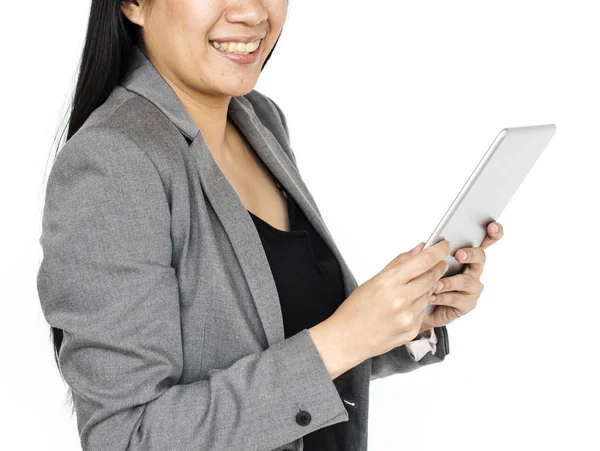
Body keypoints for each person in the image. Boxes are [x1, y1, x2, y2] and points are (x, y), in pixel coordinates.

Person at [37, 1, 504, 450]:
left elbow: (292, 353)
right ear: (133, 4)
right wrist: (343, 339)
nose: (253, 12)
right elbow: (126, 438)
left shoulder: (259, 120)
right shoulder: (112, 162)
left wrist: (405, 320)